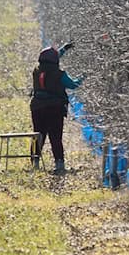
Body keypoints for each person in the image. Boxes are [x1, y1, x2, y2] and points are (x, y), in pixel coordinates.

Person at [30, 42, 84, 173]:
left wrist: (63, 49)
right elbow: (73, 85)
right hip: (55, 108)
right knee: (55, 136)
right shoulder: (60, 74)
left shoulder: (37, 71)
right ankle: (59, 164)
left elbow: (52, 58)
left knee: (38, 135)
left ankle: (35, 162)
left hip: (37, 107)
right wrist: (83, 77)